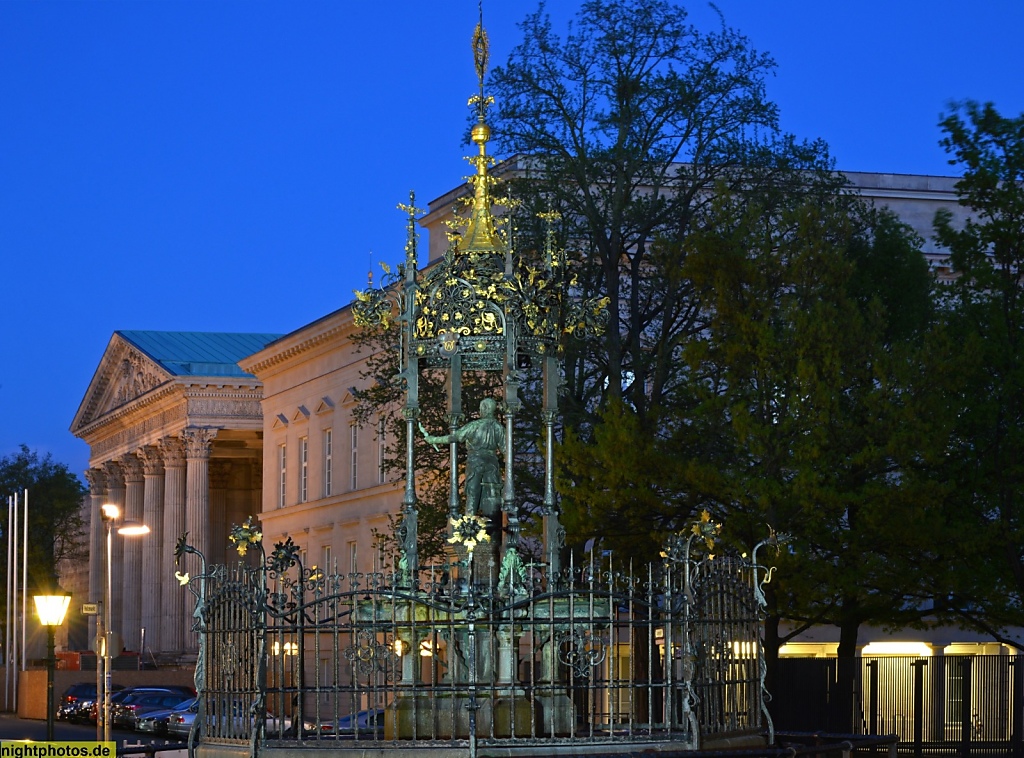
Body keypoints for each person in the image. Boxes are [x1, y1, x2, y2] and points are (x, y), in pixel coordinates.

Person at [421, 398, 504, 516]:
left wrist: (434, 439)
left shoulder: (475, 425)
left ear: (485, 409)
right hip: (492, 463)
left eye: (481, 408)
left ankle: (469, 524)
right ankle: (493, 525)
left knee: (472, 492)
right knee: (492, 494)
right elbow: (506, 450)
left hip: (475, 462)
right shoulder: (499, 428)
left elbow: (454, 437)